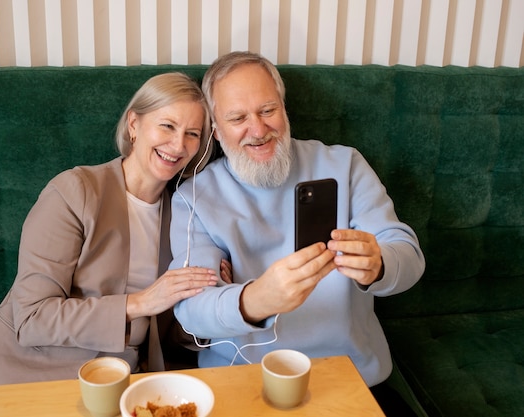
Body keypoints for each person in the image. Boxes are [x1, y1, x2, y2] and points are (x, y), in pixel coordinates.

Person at [169, 52, 425, 415]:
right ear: (215, 128)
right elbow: (191, 311)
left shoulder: (345, 165)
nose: (258, 130)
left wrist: (380, 264)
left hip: (349, 374)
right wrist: (256, 299)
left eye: (268, 110)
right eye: (238, 118)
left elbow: (410, 258)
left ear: (285, 109)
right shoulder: (194, 196)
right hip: (244, 381)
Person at [0, 72, 232, 402]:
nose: (178, 144)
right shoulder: (73, 192)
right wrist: (139, 303)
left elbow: (173, 329)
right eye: (167, 126)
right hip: (34, 378)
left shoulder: (184, 211)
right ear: (134, 124)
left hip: (127, 383)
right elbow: (31, 319)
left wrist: (211, 294)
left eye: (192, 134)